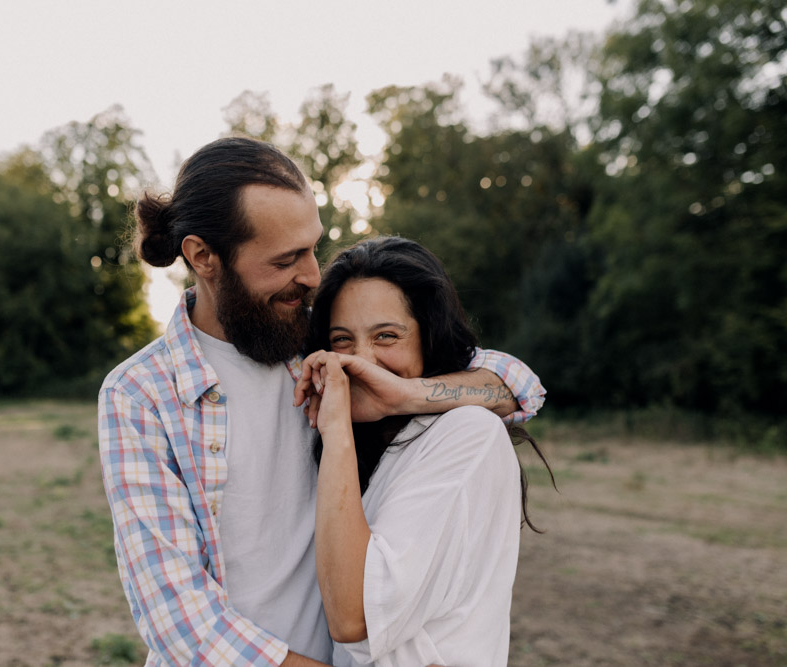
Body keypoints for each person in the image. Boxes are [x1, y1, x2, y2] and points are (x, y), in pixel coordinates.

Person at [97, 137, 546, 666]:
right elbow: (179, 619)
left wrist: (407, 393)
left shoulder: (323, 344)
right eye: (287, 258)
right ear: (203, 257)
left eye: (313, 247)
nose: (312, 275)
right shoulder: (140, 394)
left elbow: (518, 385)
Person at [305, 236, 551, 667]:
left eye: (387, 336)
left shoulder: (465, 432)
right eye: (342, 340)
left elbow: (353, 618)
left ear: (428, 337)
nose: (361, 360)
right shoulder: (357, 442)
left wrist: (398, 396)